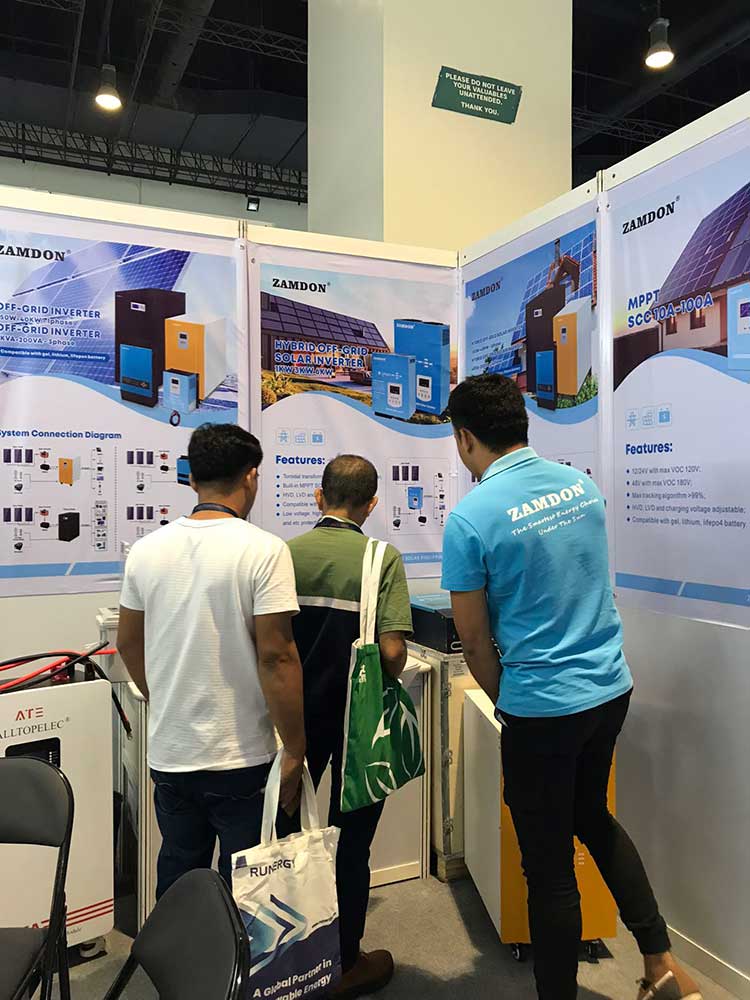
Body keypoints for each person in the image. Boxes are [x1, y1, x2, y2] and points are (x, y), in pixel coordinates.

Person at [441, 375, 702, 1000]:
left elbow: (472, 640)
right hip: (609, 689)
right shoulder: (580, 487)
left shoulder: (470, 517)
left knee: (549, 867)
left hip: (543, 708)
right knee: (593, 818)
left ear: (465, 437)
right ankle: (661, 962)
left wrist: (510, 703)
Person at [117, 423, 305, 898]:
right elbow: (277, 657)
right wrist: (295, 747)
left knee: (181, 878)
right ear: (251, 476)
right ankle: (234, 952)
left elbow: (128, 643)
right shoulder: (264, 550)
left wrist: (163, 696)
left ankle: (180, 948)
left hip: (171, 752)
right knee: (248, 889)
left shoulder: (146, 550)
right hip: (241, 754)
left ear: (193, 479)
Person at [287, 455, 413, 1000]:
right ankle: (344, 960)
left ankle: (286, 959)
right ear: (372, 503)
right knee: (351, 842)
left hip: (294, 721)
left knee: (284, 834)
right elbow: (393, 651)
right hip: (357, 725)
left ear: (319, 497)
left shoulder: (284, 554)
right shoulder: (382, 559)